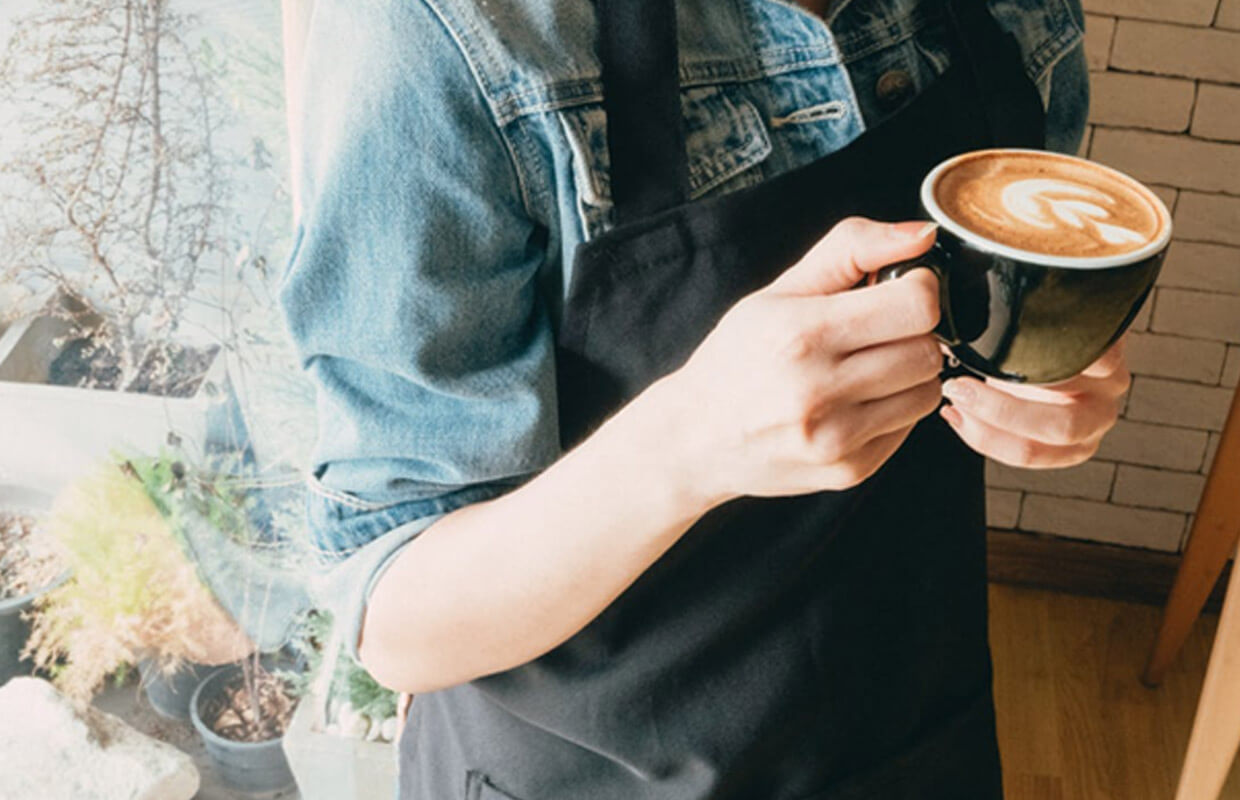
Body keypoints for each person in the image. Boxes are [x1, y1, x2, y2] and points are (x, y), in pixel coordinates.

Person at [279, 1, 1127, 797]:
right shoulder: (437, 30)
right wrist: (688, 444)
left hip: (911, 730)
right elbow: (395, 617)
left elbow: (1021, 276)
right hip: (589, 773)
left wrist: (1053, 372)